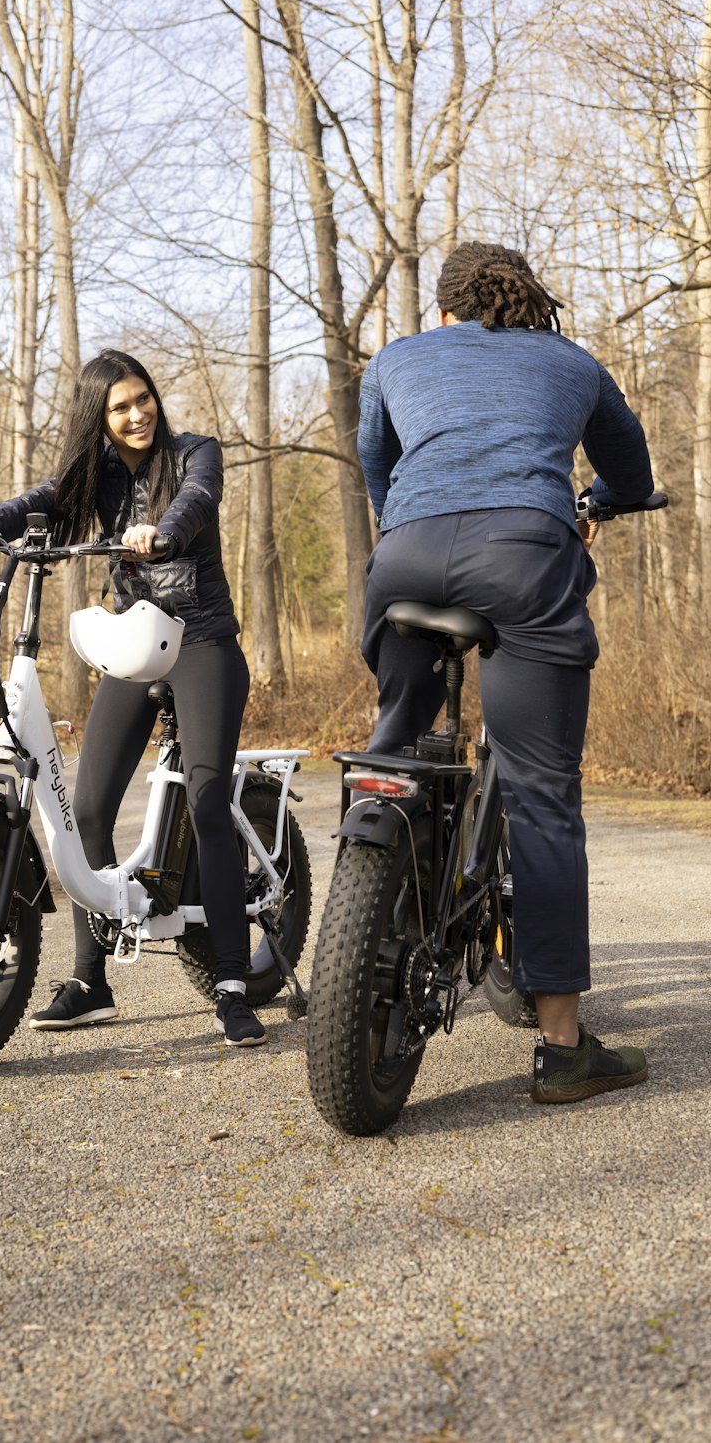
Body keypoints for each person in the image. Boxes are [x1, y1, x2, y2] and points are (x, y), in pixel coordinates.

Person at [356, 241, 655, 1105]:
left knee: (396, 748)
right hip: (525, 556)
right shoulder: (570, 360)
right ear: (529, 302)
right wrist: (591, 504)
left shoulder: (398, 358)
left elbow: (383, 474)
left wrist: (419, 523)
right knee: (542, 791)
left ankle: (380, 908)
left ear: (444, 311)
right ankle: (562, 1049)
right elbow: (627, 475)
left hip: (405, 563)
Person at [0, 349, 264, 1047]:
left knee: (207, 801)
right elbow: (43, 502)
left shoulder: (194, 452)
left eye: (142, 398)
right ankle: (91, 979)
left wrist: (165, 532)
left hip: (201, 639)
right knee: (84, 808)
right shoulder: (98, 478)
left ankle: (233, 985)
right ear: (100, 417)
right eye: (120, 406)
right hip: (135, 644)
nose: (137, 413)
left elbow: (197, 500)